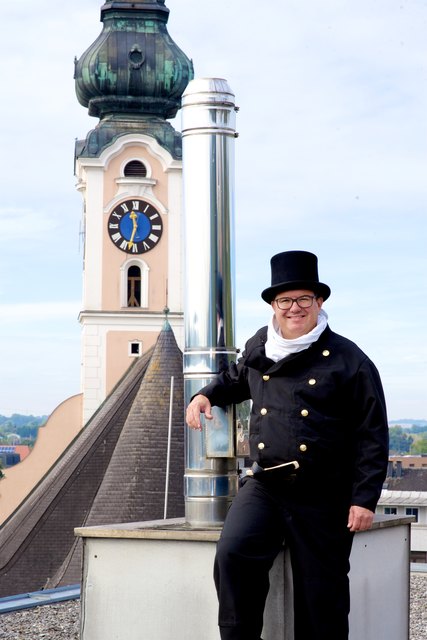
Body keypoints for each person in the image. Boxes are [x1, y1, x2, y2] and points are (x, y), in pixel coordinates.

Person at [186, 250, 389, 640]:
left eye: (303, 300)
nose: (294, 308)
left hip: (324, 492)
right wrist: (206, 395)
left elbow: (372, 433)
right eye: (285, 301)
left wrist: (364, 499)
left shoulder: (350, 360)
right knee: (233, 554)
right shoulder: (261, 344)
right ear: (273, 305)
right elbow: (236, 378)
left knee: (321, 595)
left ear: (319, 302)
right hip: (266, 485)